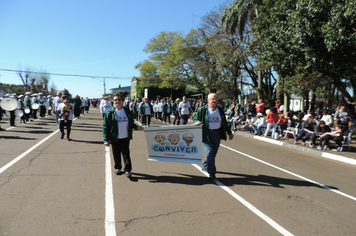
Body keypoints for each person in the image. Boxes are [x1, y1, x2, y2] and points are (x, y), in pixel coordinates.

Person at [103, 94, 144, 178]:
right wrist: (105, 139)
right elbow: (105, 126)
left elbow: (131, 123)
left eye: (119, 100)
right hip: (114, 137)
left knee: (126, 154)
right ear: (113, 101)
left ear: (122, 101)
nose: (117, 101)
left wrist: (137, 127)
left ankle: (128, 170)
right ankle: (118, 168)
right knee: (116, 154)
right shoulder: (109, 112)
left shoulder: (127, 111)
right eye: (115, 100)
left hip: (125, 137)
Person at [193, 93, 233, 179]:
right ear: (208, 100)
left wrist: (229, 133)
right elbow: (195, 118)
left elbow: (224, 123)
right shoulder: (202, 109)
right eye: (212, 99)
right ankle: (212, 172)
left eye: (216, 99)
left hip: (217, 134)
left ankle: (205, 165)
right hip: (206, 134)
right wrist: (195, 122)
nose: (214, 101)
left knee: (213, 153)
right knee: (210, 152)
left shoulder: (220, 110)